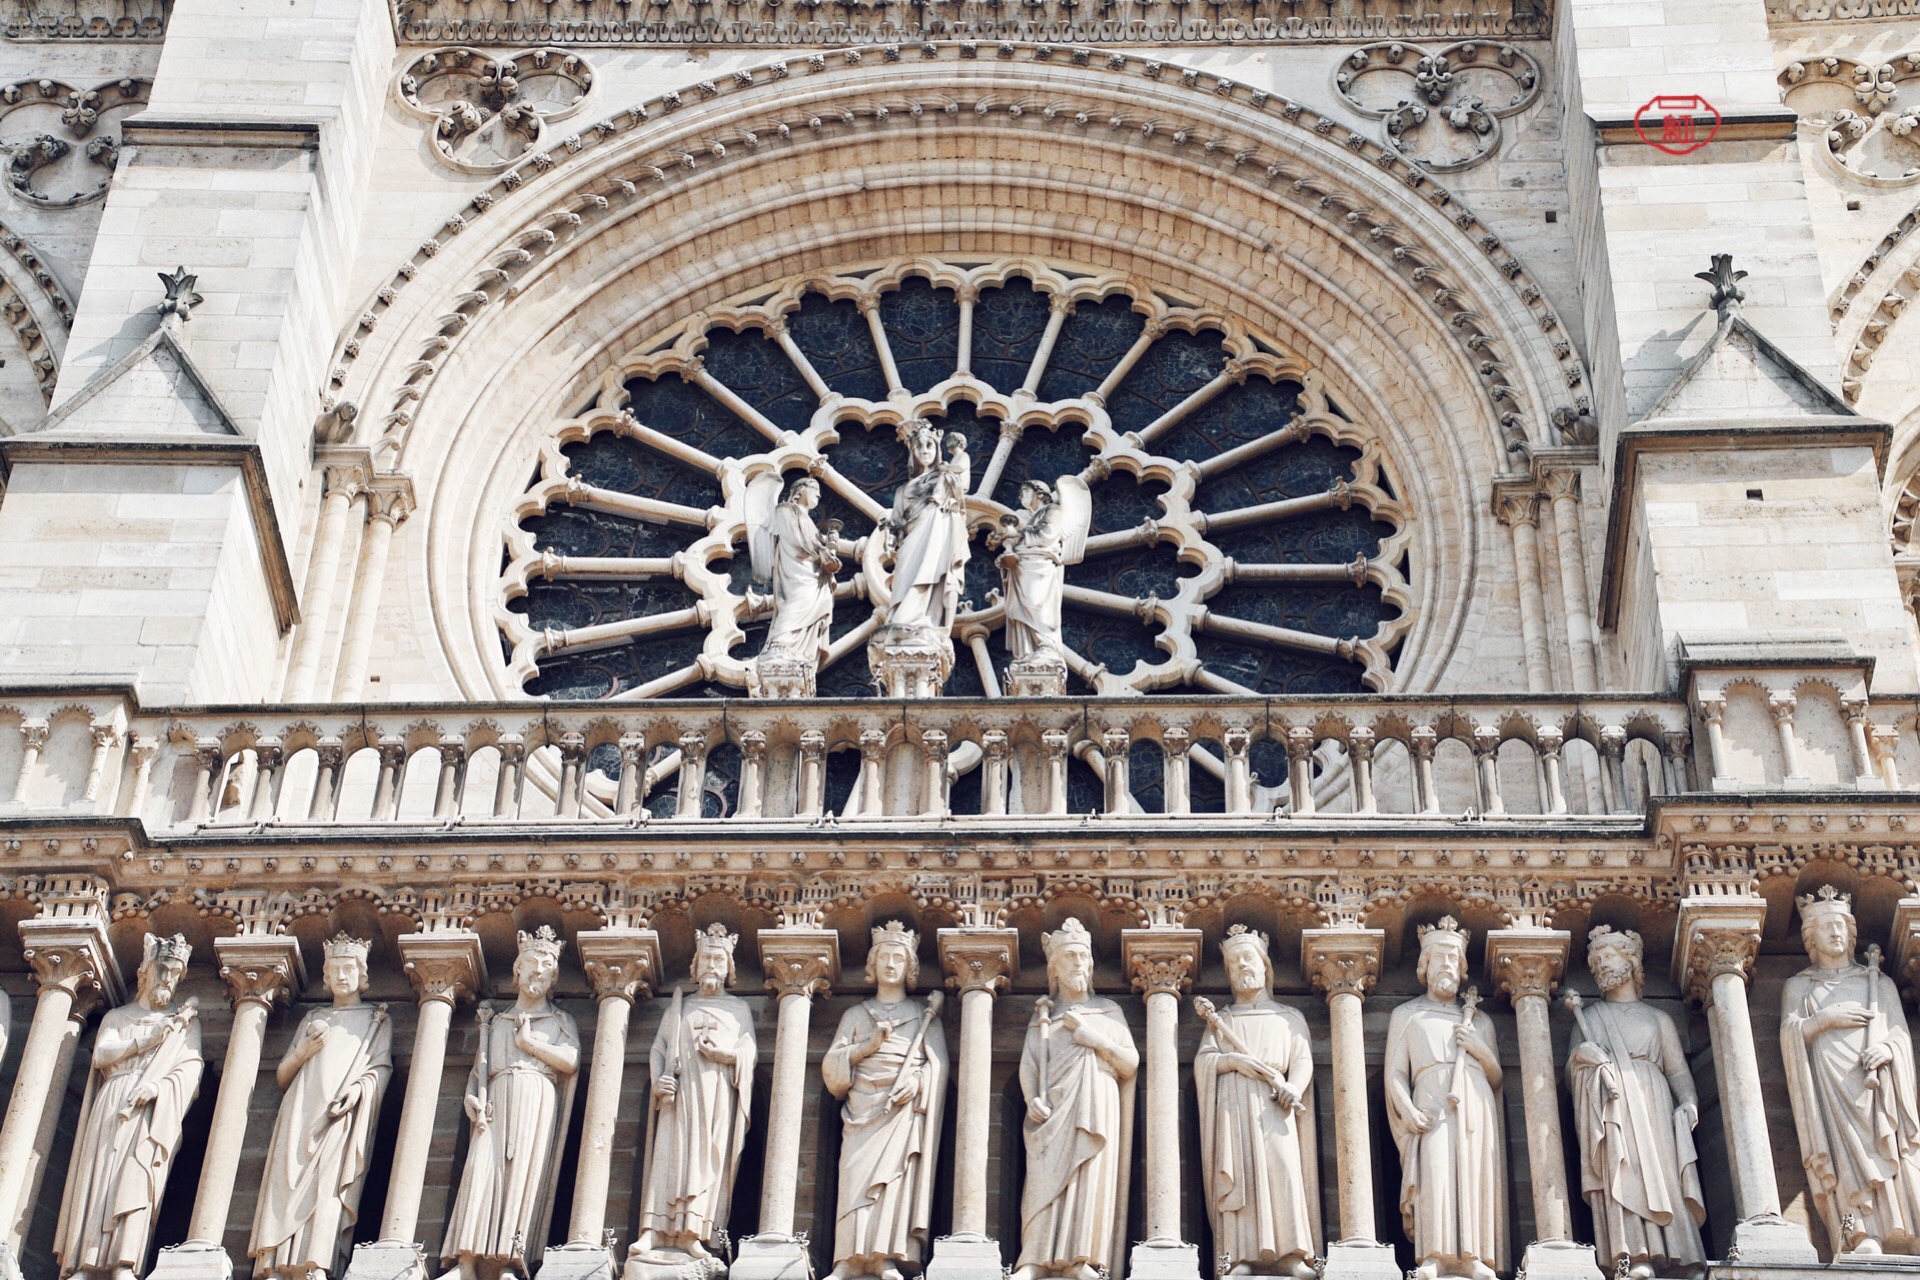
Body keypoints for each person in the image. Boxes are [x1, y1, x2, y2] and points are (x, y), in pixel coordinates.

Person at [1781, 885, 1920, 1256]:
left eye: (1841, 925)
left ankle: (1907, 1229)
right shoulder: (1799, 986)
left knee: (1889, 1144)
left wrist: (1886, 1050)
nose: (1835, 932)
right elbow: (1790, 1033)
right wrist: (1823, 1020)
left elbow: (1899, 1034)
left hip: (1877, 1083)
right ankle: (1860, 1233)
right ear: (1811, 938)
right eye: (1826, 926)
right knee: (1845, 1154)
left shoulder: (1878, 982)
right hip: (1831, 1082)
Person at [54, 933, 203, 1280]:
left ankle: (125, 1263)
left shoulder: (185, 1025)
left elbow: (191, 1071)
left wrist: (157, 1087)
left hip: (152, 1111)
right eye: (163, 969)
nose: (168, 979)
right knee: (99, 1179)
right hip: (114, 1099)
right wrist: (145, 1040)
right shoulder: (119, 1016)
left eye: (175, 973)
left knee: (137, 1177)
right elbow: (102, 1055)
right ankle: (86, 1263)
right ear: (144, 972)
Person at [1565, 926, 1705, 1278]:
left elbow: (1677, 1070)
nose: (1600, 965)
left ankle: (1684, 1257)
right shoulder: (1589, 1019)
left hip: (1654, 1102)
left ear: (1631, 961)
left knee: (1665, 1175)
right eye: (1595, 960)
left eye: (1607, 957)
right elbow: (1570, 1074)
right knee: (1623, 1170)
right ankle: (1635, 1255)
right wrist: (1583, 1057)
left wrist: (1688, 1101)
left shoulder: (1658, 1018)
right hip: (1612, 1106)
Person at [250, 934, 392, 1280]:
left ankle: (315, 1264)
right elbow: (283, 1075)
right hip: (300, 1113)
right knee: (285, 1187)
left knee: (327, 1188)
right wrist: (302, 1053)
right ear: (326, 976)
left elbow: (380, 1069)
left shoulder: (376, 1020)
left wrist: (358, 1091)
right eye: (334, 969)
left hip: (339, 1120)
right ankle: (277, 1265)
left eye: (349, 969)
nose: (341, 976)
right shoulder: (314, 1017)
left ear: (361, 974)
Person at [442, 926, 581, 1276]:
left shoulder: (560, 1021)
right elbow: (480, 1070)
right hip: (496, 1100)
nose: (538, 971)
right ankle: (466, 1261)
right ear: (517, 970)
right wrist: (471, 1098)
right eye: (531, 963)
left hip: (535, 1098)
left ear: (553, 977)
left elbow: (570, 1060)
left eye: (546, 966)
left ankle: (508, 1260)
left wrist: (529, 1043)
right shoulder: (497, 1021)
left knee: (522, 1176)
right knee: (481, 1171)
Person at [628, 924, 758, 1279]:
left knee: (706, 1162)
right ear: (696, 966)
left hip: (716, 1096)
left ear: (728, 968)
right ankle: (653, 1231)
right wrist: (660, 1080)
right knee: (669, 1157)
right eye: (706, 959)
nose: (712, 965)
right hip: (680, 1098)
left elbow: (748, 1053)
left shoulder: (738, 1010)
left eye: (719, 959)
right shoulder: (680, 1008)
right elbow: (659, 1048)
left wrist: (726, 1056)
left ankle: (693, 1234)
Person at [1013, 918, 1138, 1280]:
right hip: (1052, 1110)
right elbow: (1029, 1065)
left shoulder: (1108, 1011)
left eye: (1084, 956)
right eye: (1070, 956)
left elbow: (1129, 1063)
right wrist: (1031, 1099)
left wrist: (1095, 1039)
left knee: (1090, 1175)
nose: (1079, 963)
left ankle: (1082, 1259)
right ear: (1054, 966)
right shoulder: (1044, 1018)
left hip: (1096, 1100)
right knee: (1042, 1178)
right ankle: (1034, 1259)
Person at [822, 922, 948, 1280]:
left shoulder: (924, 1017)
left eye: (899, 958)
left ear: (910, 967)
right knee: (854, 1179)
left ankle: (883, 1257)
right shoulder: (855, 1015)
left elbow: (939, 1066)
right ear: (872, 965)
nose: (891, 964)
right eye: (884, 957)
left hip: (902, 1111)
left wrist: (918, 1082)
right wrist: (867, 1047)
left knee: (893, 1181)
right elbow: (832, 1070)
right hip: (862, 1109)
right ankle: (848, 1258)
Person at [1383, 918, 1506, 1280]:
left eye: (1453, 959)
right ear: (1425, 966)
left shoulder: (1480, 1021)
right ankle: (1434, 1256)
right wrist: (1407, 1110)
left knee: (1473, 1176)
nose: (1447, 965)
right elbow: (1394, 1073)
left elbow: (1497, 1077)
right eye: (1439, 958)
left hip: (1474, 1102)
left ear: (1462, 968)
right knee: (1436, 1173)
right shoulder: (1407, 1015)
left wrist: (1478, 1048)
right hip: (1431, 1100)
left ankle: (1475, 1257)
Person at [1193, 926, 1317, 1279]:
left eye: (1248, 958)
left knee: (1283, 1170)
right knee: (1241, 1174)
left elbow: (1302, 1059)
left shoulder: (1288, 1017)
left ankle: (1292, 1254)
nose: (1242, 966)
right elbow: (1204, 1062)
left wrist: (1294, 1087)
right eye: (1234, 963)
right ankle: (1239, 1257)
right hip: (1234, 1105)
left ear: (1265, 966)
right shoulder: (1223, 1020)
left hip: (1275, 1104)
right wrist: (1232, 1061)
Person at [881, 422, 970, 642]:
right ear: (913, 452)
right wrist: (890, 532)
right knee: (906, 574)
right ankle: (904, 618)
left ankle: (927, 620)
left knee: (933, 570)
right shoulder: (903, 490)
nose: (924, 451)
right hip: (912, 536)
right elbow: (898, 519)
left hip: (937, 527)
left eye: (929, 445)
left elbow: (960, 491)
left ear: (937, 449)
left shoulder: (944, 476)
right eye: (919, 447)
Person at [760, 475, 840, 670]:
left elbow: (814, 545)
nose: (818, 495)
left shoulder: (809, 521)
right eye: (815, 490)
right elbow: (794, 538)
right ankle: (780, 644)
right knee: (796, 601)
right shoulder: (785, 510)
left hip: (813, 573)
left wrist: (830, 546)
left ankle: (798, 650)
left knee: (811, 603)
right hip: (797, 568)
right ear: (802, 490)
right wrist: (821, 551)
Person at [997, 480, 1069, 662]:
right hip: (1022, 566)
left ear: (1039, 493)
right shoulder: (1028, 516)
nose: (1020, 495)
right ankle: (1027, 652)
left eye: (1024, 490)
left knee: (1038, 604)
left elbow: (1048, 534)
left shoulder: (1053, 510)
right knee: (1022, 607)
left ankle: (1046, 646)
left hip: (1040, 565)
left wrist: (1020, 533)